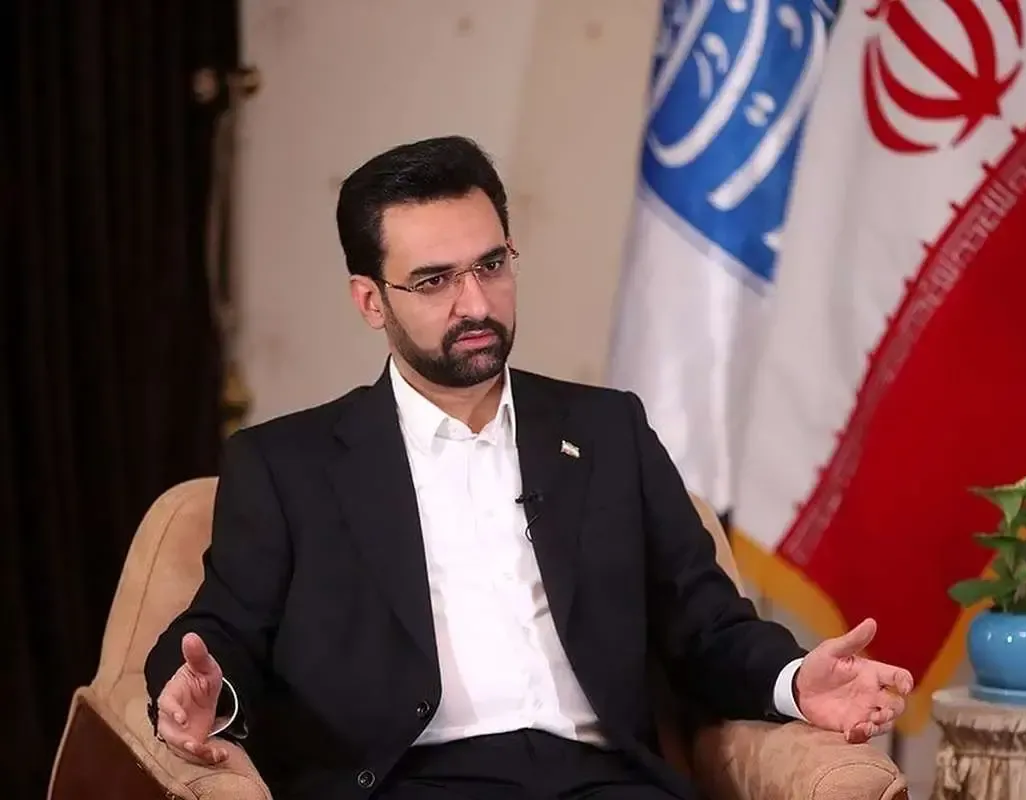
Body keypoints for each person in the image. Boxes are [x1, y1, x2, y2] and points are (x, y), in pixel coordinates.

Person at [145, 135, 913, 800]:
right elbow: (222, 631)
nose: (476, 304)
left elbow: (706, 625)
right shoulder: (288, 466)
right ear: (371, 302)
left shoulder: (608, 431)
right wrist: (203, 694)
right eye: (435, 280)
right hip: (411, 783)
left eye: (491, 265)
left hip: (606, 780)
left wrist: (794, 681)